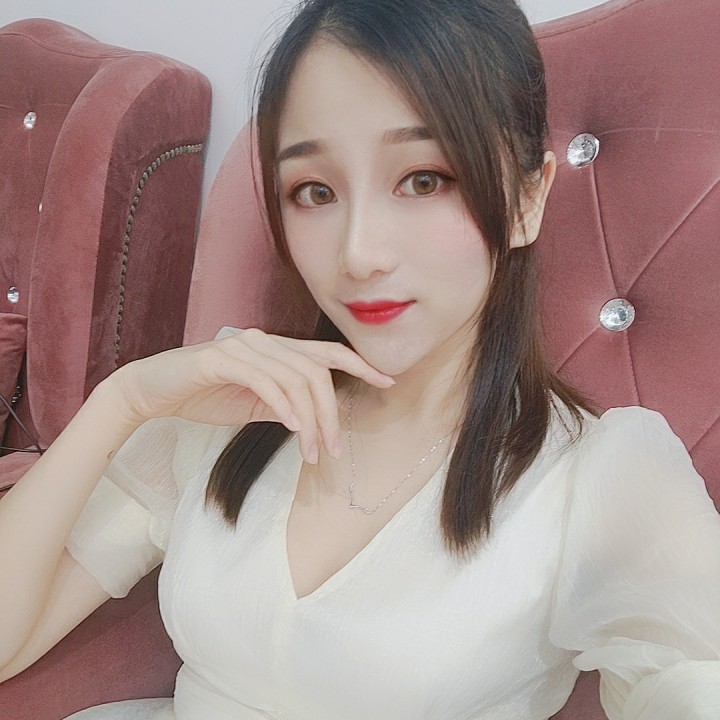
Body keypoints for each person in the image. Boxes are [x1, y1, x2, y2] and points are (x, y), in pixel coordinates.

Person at [1, 0, 719, 718]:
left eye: (424, 179)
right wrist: (123, 400)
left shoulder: (598, 475)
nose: (358, 254)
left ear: (528, 198)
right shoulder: (227, 402)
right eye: (314, 192)